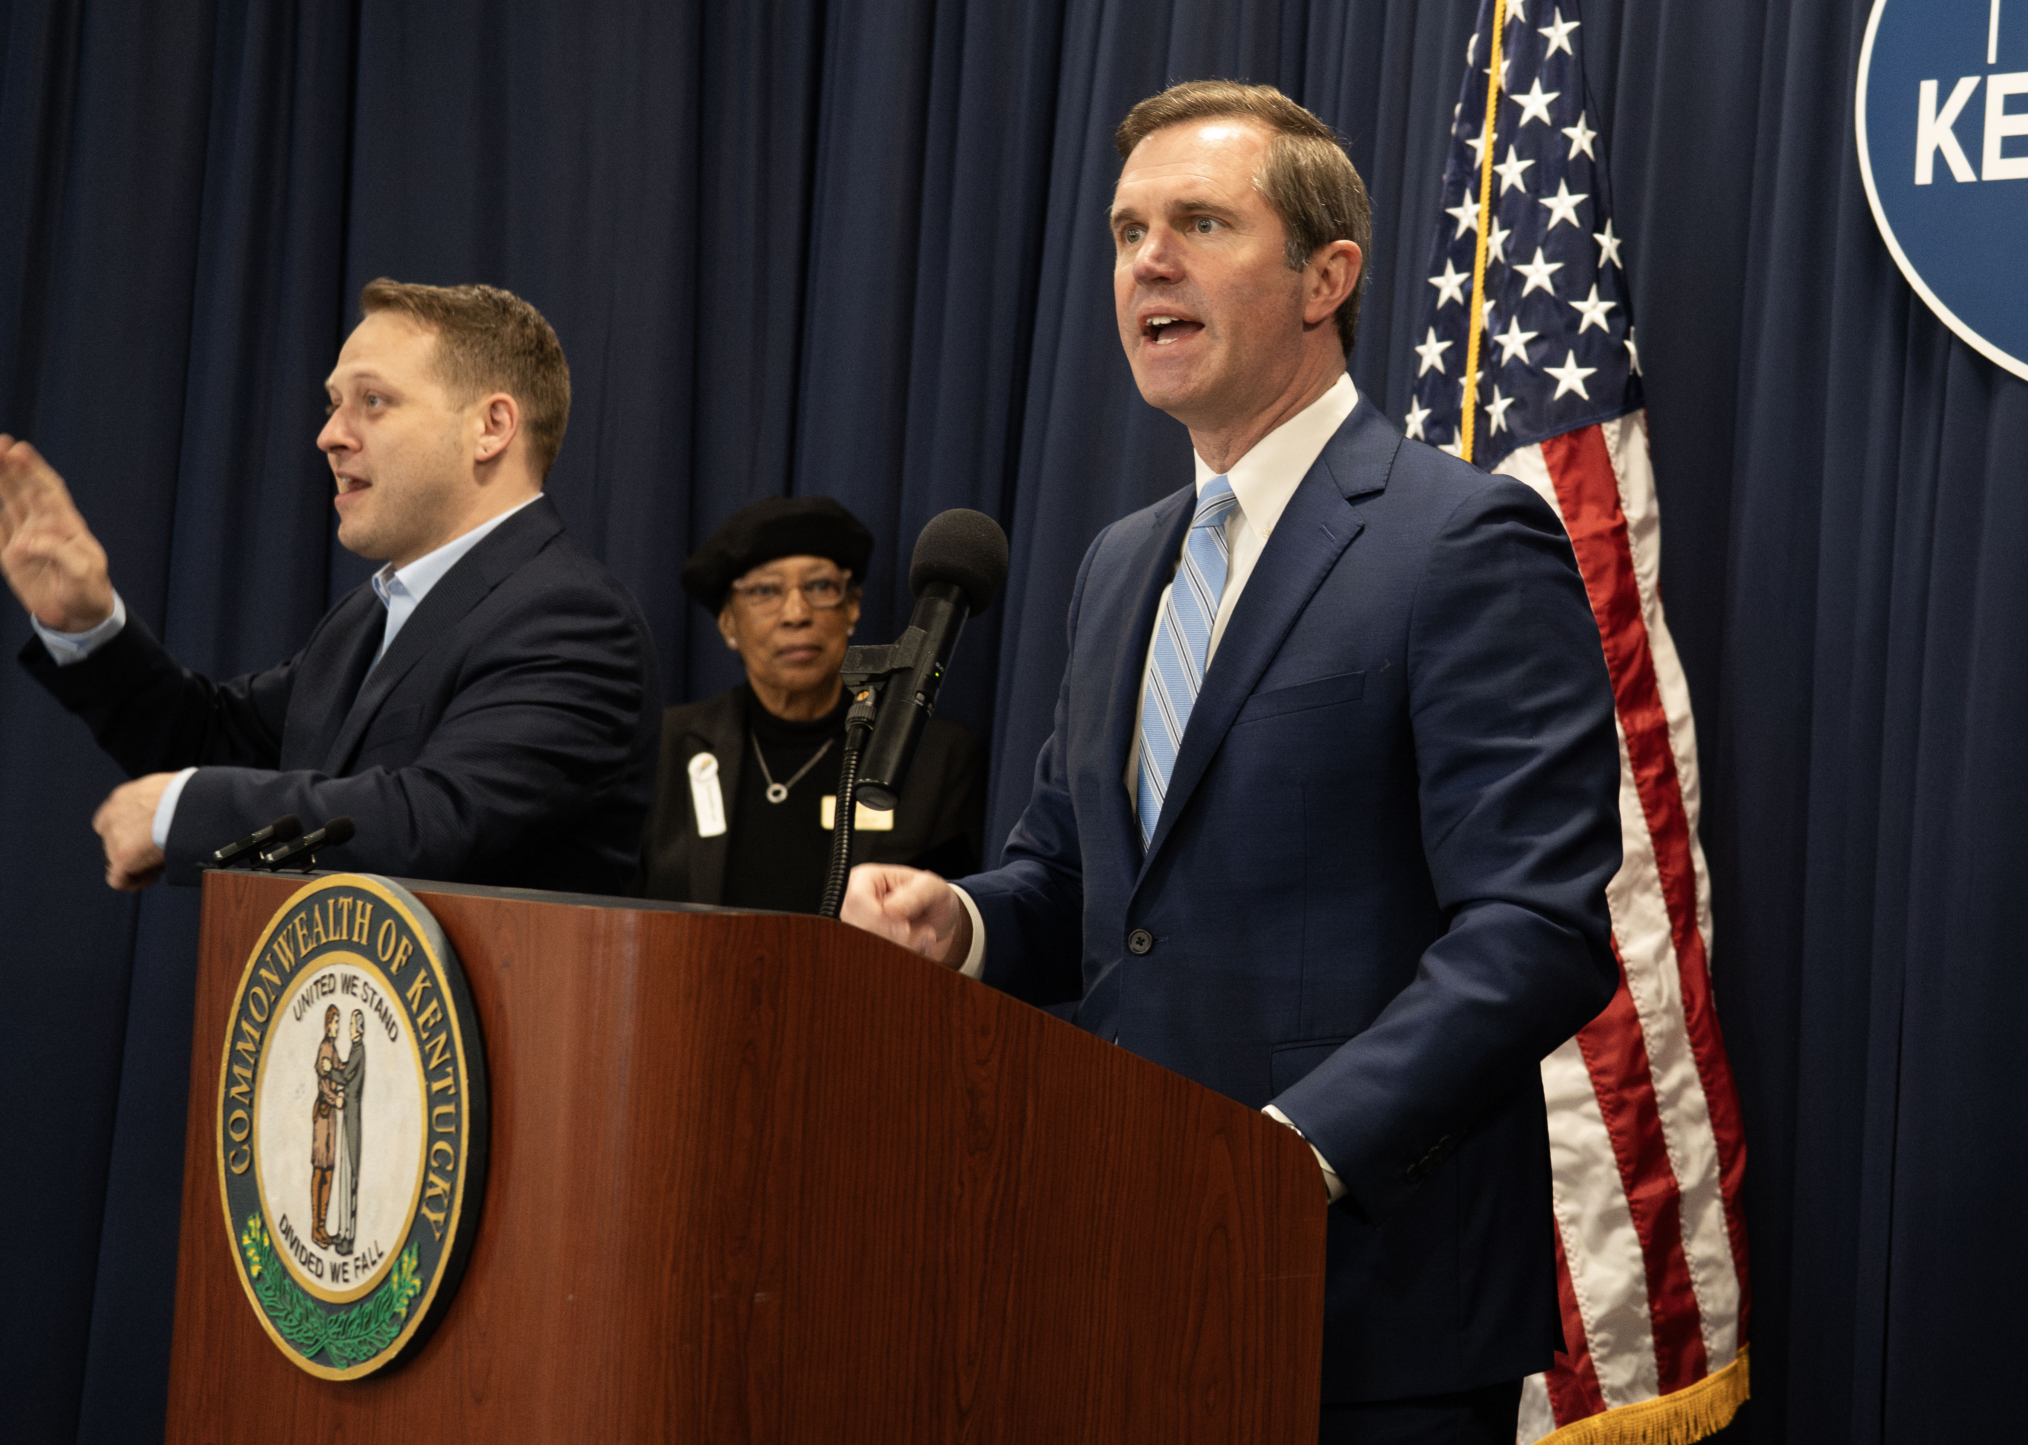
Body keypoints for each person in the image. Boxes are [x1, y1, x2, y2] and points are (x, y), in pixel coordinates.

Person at [839, 82, 1623, 1443]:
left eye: (1201, 221)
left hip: (1364, 1309)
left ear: (1329, 276)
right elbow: (1076, 882)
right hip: (1114, 1269)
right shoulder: (1119, 561)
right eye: (1129, 228)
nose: (1149, 259)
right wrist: (960, 921)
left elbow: (1536, 929)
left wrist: (1290, 1150)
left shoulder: (1461, 541)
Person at [1, 279, 659, 894]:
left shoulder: (570, 616)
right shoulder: (364, 620)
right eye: (334, 404)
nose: (329, 436)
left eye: (372, 401)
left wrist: (183, 809)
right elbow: (215, 742)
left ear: (491, 427)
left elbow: (434, 822)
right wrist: (86, 624)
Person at [640, 495, 986, 911]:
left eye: (820, 586)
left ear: (852, 606)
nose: (796, 613)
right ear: (728, 624)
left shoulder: (933, 756)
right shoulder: (666, 747)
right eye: (766, 591)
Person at [311, 1006, 344, 1251]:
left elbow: (340, 1070)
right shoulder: (325, 1048)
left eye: (338, 1022)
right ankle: (315, 1226)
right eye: (335, 1022)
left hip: (331, 1118)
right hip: (323, 1115)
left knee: (329, 1170)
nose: (337, 1027)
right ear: (327, 1024)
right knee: (321, 1170)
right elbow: (324, 1084)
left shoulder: (333, 1049)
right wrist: (336, 1099)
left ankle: (322, 1226)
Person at [337, 1008, 367, 1257]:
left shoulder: (358, 1051)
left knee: (350, 1178)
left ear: (358, 1029)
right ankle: (343, 1231)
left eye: (351, 1025)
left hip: (351, 1119)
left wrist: (329, 1069)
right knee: (345, 1177)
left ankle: (349, 1237)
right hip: (347, 1114)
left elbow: (346, 1077)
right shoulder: (355, 1051)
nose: (348, 1028)